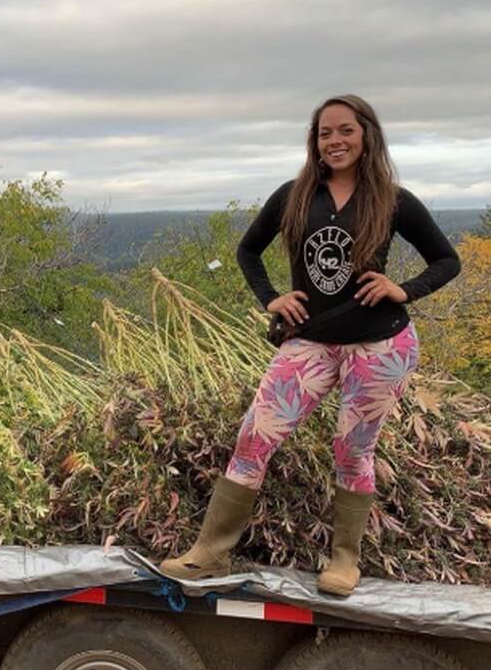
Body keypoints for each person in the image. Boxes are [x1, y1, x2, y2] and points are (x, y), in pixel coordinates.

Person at [160, 95, 461, 596]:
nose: (335, 141)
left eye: (345, 130)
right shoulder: (295, 195)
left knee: (352, 450)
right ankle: (208, 553)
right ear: (314, 140)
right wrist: (272, 299)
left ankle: (344, 561)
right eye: (325, 133)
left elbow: (446, 261)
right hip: (311, 343)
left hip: (380, 345)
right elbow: (247, 250)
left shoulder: (392, 198)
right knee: (254, 438)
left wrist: (402, 289)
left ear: (366, 135)